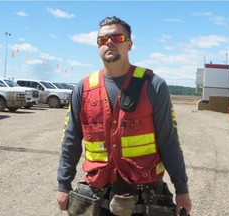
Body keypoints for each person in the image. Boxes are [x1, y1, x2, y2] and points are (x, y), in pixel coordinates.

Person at [57, 16, 192, 216]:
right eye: (103, 40)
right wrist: (63, 184)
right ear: (98, 46)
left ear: (129, 44)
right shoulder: (83, 89)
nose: (109, 42)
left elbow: (169, 141)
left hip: (143, 196)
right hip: (97, 196)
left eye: (117, 37)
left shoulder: (153, 85)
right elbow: (70, 140)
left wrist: (182, 189)